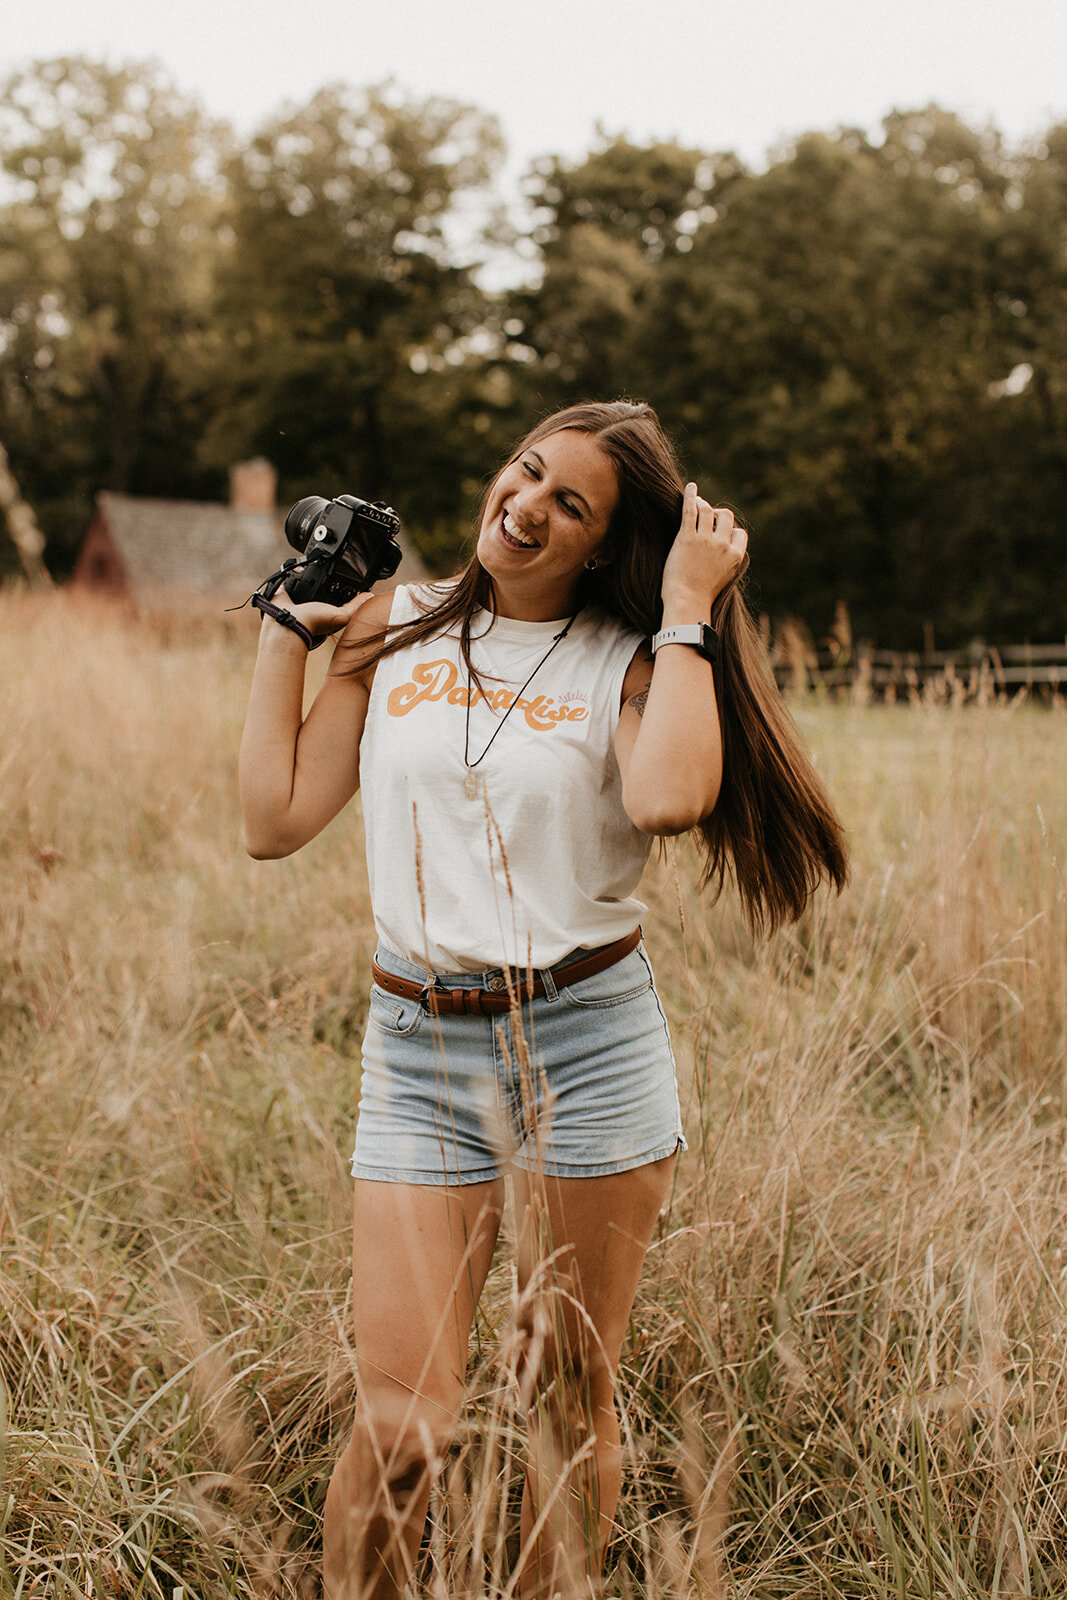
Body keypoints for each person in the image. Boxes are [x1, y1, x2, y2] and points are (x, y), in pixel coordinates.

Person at [239, 400, 848, 1600]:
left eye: (569, 504)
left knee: (565, 1406)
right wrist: (280, 636)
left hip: (584, 1044)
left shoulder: (627, 659)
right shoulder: (392, 628)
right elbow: (273, 822)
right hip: (416, 1049)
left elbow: (671, 796)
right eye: (526, 473)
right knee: (402, 1423)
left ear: (600, 546)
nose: (524, 506)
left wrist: (685, 610)